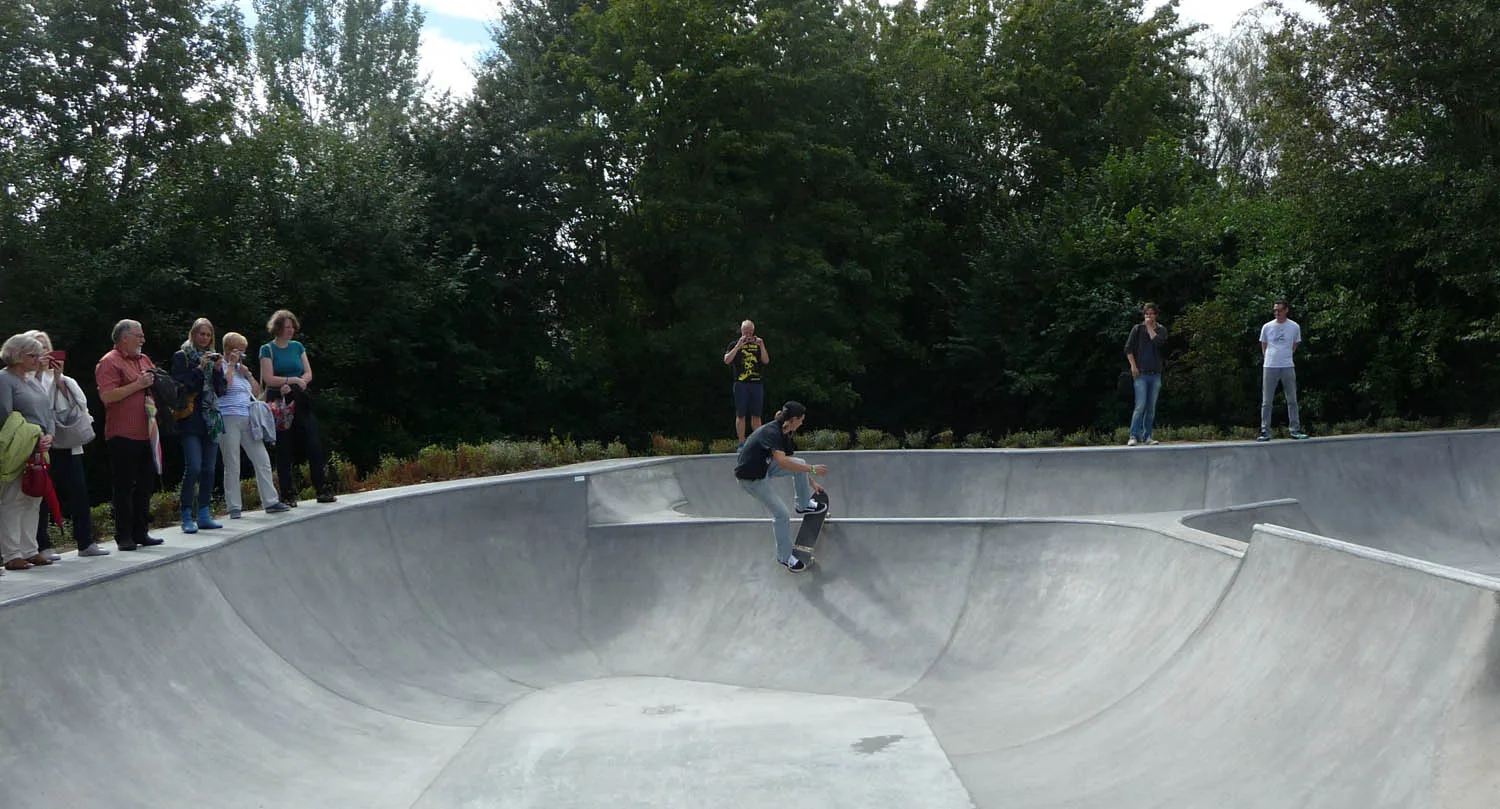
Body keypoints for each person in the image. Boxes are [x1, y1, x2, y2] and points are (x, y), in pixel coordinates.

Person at [26, 330, 109, 557]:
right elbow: (34, 406)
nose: (43, 353)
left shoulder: (63, 379)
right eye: (37, 348)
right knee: (42, 496)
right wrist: (36, 375)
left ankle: (85, 542)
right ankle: (43, 546)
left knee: (79, 492)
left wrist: (58, 378)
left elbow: (79, 405)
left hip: (67, 443)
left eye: (45, 347)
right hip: (39, 446)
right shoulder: (23, 380)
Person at [95, 319, 166, 551]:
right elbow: (107, 396)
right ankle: (123, 535)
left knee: (145, 485)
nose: (143, 340)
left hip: (147, 431)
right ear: (124, 338)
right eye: (139, 335)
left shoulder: (144, 359)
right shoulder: (108, 362)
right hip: (122, 433)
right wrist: (138, 384)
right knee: (124, 487)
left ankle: (141, 531)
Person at [733, 401, 828, 573]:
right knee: (781, 514)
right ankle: (784, 557)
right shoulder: (772, 432)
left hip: (764, 467)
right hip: (751, 479)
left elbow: (792, 463)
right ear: (792, 419)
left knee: (799, 462)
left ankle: (803, 504)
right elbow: (782, 461)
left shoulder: (786, 431)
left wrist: (812, 483)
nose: (802, 423)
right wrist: (813, 469)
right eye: (801, 420)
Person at [259, 309, 336, 505]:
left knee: (313, 443)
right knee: (284, 447)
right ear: (277, 329)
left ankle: (322, 488)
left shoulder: (298, 347)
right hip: (279, 398)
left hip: (299, 396)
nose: (291, 330)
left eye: (292, 326)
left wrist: (300, 381)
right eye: (287, 327)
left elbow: (308, 372)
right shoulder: (267, 349)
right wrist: (289, 380)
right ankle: (287, 493)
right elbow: (268, 378)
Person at [217, 332, 289, 518]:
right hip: (228, 417)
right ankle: (234, 506)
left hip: (248, 417)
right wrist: (231, 365)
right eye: (239, 350)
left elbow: (257, 392)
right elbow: (224, 387)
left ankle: (271, 501)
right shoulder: (221, 366)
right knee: (232, 462)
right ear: (228, 350)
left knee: (262, 459)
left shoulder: (242, 369)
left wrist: (248, 374)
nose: (242, 354)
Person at [0, 333, 57, 570]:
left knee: (33, 498)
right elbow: (5, 416)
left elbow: (47, 411)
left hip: (38, 448)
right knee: (12, 499)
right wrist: (33, 437)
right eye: (31, 355)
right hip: (17, 448)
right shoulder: (4, 379)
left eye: (37, 354)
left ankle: (30, 549)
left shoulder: (32, 380)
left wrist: (48, 436)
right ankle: (12, 554)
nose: (37, 359)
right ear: (16, 355)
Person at [171, 318, 228, 533]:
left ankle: (204, 511)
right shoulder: (182, 356)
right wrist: (200, 367)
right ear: (193, 334)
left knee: (209, 468)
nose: (204, 338)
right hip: (190, 417)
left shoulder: (213, 358)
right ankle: (186, 513)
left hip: (211, 418)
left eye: (208, 334)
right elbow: (183, 386)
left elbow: (221, 391)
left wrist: (217, 369)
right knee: (193, 466)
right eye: (201, 334)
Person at [1258, 300, 1309, 441]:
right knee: (1267, 401)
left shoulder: (1294, 327)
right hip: (1270, 366)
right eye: (1275, 310)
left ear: (1286, 310)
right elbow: (1264, 345)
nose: (1277, 313)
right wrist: (1269, 358)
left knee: (1292, 399)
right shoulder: (1267, 327)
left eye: (1279, 310)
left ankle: (1295, 430)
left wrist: (1285, 356)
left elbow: (1294, 345)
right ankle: (1265, 431)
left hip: (1287, 365)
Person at [1124, 303, 1167, 447]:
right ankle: (1133, 435)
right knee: (1140, 405)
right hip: (1141, 373)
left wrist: (1150, 328)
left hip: (1155, 373)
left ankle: (1147, 436)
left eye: (1151, 314)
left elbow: (1159, 343)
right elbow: (1128, 349)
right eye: (1146, 314)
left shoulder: (1161, 330)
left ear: (1156, 315)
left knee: (1151, 407)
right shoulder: (1137, 329)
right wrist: (1133, 367)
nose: (1148, 316)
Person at [723, 319, 770, 445]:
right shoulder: (735, 344)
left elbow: (765, 361)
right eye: (745, 333)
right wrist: (738, 346)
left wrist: (762, 345)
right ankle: (742, 442)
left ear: (753, 331)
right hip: (741, 384)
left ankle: (758, 442)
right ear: (741, 332)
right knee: (741, 414)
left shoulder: (758, 344)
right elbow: (727, 360)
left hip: (756, 383)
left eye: (750, 333)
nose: (748, 336)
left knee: (756, 415)